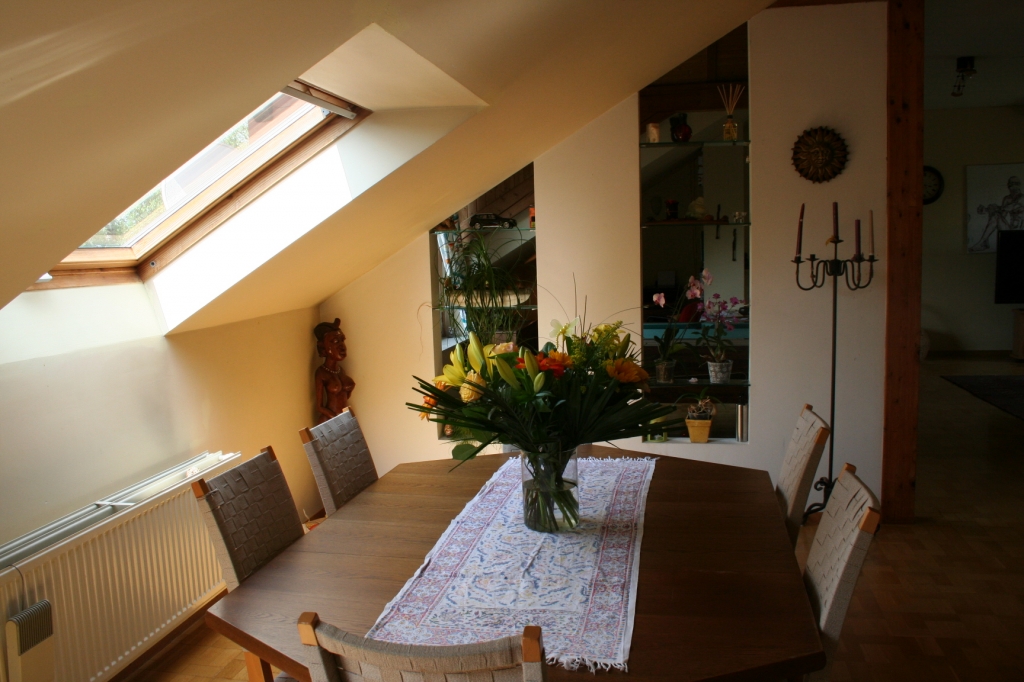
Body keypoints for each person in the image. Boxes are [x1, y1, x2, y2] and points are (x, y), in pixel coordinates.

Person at [313, 319, 355, 424]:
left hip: (344, 419)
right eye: (335, 341)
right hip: (330, 421)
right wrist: (336, 418)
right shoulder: (321, 372)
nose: (342, 346)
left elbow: (344, 396)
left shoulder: (341, 370)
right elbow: (319, 407)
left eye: (342, 340)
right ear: (323, 347)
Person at [971, 176, 1024, 252]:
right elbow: (1002, 214)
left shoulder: (1022, 198)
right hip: (1009, 231)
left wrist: (987, 209)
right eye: (1010, 184)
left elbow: (1009, 207)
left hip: (1020, 234)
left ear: (1018, 185)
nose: (1011, 186)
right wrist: (989, 210)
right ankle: (983, 242)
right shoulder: (1007, 198)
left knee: (994, 211)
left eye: (1014, 184)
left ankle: (983, 242)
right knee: (995, 215)